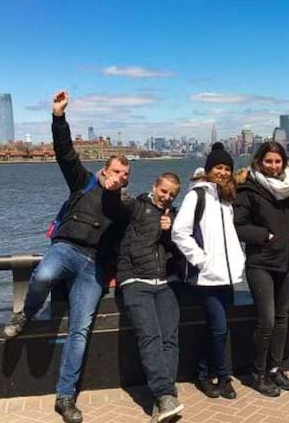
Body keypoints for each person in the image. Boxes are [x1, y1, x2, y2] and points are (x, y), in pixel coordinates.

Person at [3, 91, 130, 423]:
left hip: (93, 269)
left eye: (125, 175)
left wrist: (113, 271)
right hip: (66, 248)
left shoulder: (121, 207)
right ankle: (25, 314)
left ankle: (65, 397)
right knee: (43, 276)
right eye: (116, 171)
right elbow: (65, 153)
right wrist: (58, 117)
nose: (120, 177)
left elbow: (121, 240)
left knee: (80, 329)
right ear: (105, 170)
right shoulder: (83, 183)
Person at [171, 143, 245, 400]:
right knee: (218, 327)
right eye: (218, 167)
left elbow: (230, 237)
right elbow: (179, 231)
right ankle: (221, 376)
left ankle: (206, 372)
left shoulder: (226, 199)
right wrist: (200, 259)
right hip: (208, 276)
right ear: (209, 169)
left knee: (219, 328)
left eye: (227, 168)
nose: (223, 172)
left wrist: (238, 260)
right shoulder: (197, 195)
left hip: (227, 275)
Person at [116, 172, 184, 423]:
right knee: (150, 336)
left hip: (165, 284)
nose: (166, 197)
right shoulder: (136, 207)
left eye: (172, 195)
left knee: (170, 339)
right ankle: (166, 394)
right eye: (163, 191)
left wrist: (170, 231)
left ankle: (164, 400)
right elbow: (113, 205)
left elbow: (180, 252)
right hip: (135, 280)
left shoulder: (174, 217)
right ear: (154, 186)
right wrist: (114, 186)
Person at [233, 141, 289, 397]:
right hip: (260, 262)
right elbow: (238, 225)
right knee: (267, 320)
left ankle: (275, 368)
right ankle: (257, 373)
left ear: (284, 162)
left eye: (277, 161)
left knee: (282, 319)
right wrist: (266, 236)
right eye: (268, 161)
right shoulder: (249, 189)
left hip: (287, 260)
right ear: (259, 161)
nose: (273, 166)